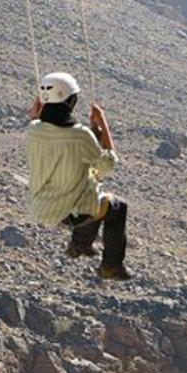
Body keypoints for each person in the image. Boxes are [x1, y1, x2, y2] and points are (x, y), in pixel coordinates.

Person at [27, 71, 131, 280]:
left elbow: (40, 122)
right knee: (117, 207)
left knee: (91, 191)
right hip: (73, 213)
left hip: (41, 210)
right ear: (71, 101)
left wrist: (37, 112)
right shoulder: (80, 134)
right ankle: (109, 266)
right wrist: (102, 124)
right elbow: (108, 165)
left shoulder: (33, 130)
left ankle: (80, 245)